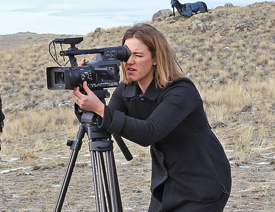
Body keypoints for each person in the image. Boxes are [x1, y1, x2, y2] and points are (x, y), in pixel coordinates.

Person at [71, 23, 231, 211]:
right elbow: (104, 122)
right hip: (165, 183)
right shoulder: (127, 89)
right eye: (125, 55)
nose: (129, 61)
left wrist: (101, 109)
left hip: (202, 184)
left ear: (156, 58)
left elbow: (149, 133)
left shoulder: (181, 90)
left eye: (138, 55)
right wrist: (86, 92)